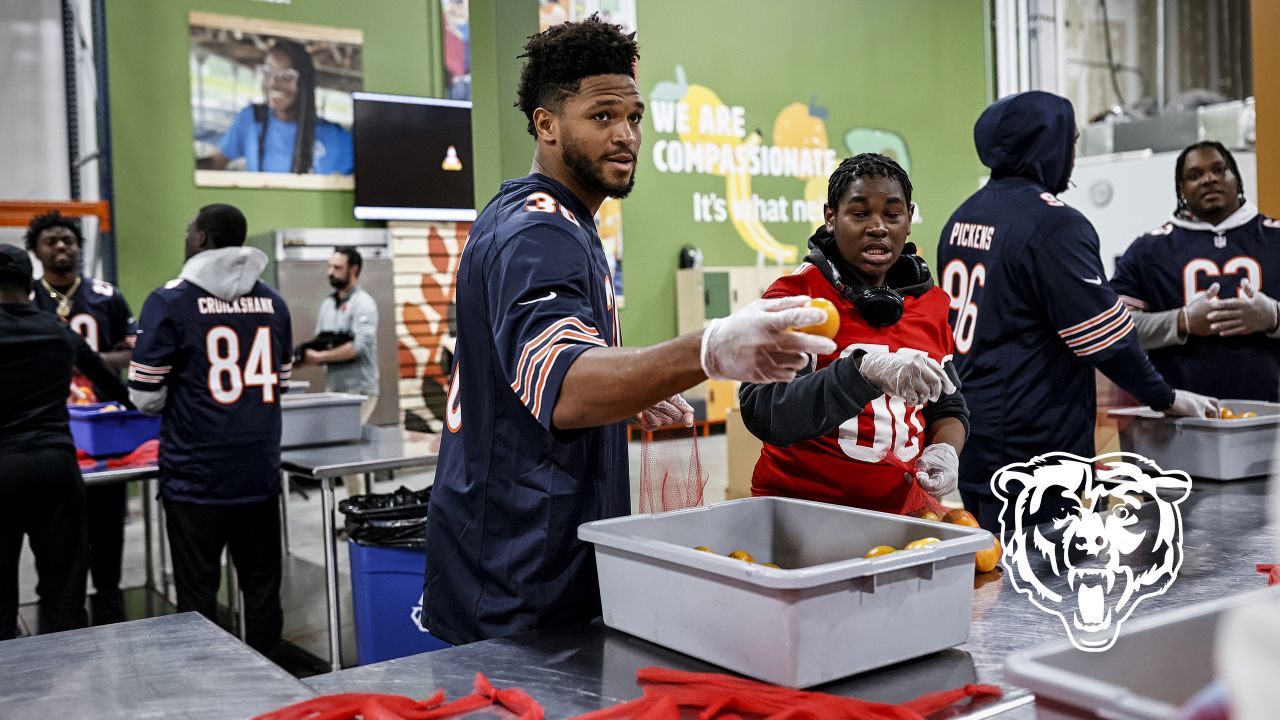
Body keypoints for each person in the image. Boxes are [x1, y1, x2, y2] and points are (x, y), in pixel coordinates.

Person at [424, 15, 837, 646]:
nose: (625, 135)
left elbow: (541, 371)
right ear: (546, 124)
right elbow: (566, 388)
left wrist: (631, 387)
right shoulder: (541, 232)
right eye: (602, 116)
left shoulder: (549, 219)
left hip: (522, 558)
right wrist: (707, 349)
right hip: (516, 580)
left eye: (635, 117)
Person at [935, 91, 1217, 534]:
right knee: (1040, 580)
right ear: (1045, 145)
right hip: (1033, 443)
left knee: (988, 571)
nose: (1073, 155)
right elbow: (1108, 340)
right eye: (1071, 142)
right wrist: (1166, 397)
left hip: (972, 427)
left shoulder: (962, 217)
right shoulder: (1054, 224)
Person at [740, 154, 968, 513]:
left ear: (909, 219)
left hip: (906, 518)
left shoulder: (931, 304)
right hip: (803, 515)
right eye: (860, 213)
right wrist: (858, 374)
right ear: (831, 217)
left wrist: (945, 450)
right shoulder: (794, 298)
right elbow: (764, 411)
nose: (878, 227)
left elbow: (948, 405)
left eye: (892, 215)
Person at [128, 204, 293, 655]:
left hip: (195, 476)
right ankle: (272, 684)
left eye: (189, 230)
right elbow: (279, 383)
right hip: (258, 475)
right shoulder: (274, 303)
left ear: (200, 239)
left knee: (198, 594)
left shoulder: (168, 300)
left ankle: (207, 687)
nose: (186, 236)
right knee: (261, 590)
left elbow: (144, 395)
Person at [0, 243, 130, 639]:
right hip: (56, 468)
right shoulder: (57, 330)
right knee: (64, 586)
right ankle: (71, 682)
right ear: (29, 282)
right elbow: (112, 387)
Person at [26, 211, 135, 626]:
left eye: (68, 240)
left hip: (102, 426)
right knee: (53, 532)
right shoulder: (26, 298)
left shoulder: (106, 295)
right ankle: (57, 610)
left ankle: (110, 599)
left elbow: (132, 350)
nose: (60, 247)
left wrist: (83, 361)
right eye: (51, 241)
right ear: (35, 250)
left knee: (108, 522)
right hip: (48, 424)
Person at [1110, 141, 1280, 401]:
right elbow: (1115, 327)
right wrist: (1182, 321)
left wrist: (1273, 316)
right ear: (1181, 189)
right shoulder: (1148, 250)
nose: (1209, 179)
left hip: (1272, 412)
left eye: (1218, 170)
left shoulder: (1275, 237)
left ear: (1237, 178)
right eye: (1194, 175)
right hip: (1179, 417)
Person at [207, 39, 353, 175]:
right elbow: (216, 162)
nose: (273, 83)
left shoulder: (335, 136)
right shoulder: (251, 119)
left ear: (304, 83)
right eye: (268, 73)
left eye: (287, 76)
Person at [303, 246, 380, 496]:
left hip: (361, 390)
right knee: (345, 454)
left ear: (354, 270)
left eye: (337, 267)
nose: (330, 272)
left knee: (350, 454)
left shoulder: (364, 304)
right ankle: (360, 510)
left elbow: (357, 347)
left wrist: (320, 357)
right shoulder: (327, 305)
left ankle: (361, 516)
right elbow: (320, 342)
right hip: (335, 391)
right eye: (329, 266)